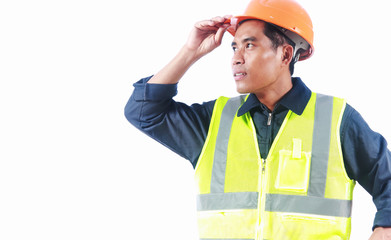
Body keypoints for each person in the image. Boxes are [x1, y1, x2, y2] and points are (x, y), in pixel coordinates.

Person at [124, 0, 391, 239]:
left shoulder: (336, 119)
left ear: (285, 54)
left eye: (249, 45)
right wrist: (191, 51)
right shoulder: (213, 121)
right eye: (234, 47)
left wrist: (384, 228)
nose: (235, 59)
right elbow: (143, 111)